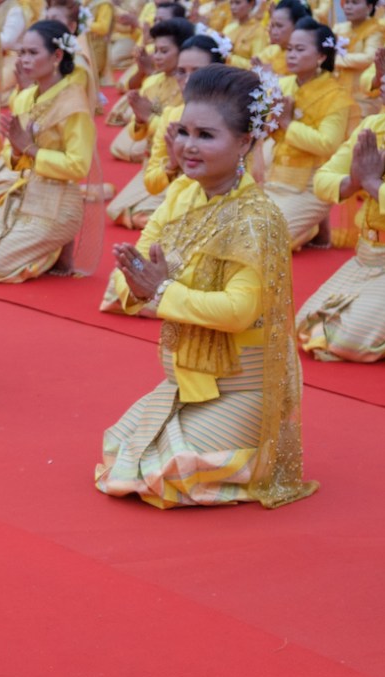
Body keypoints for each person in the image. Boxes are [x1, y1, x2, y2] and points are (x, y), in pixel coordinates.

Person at [96, 64, 319, 509]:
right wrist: (139, 287)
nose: (187, 146)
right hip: (188, 380)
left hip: (243, 387)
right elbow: (135, 266)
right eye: (182, 132)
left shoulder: (257, 218)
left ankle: (253, 447)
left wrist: (159, 293)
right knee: (119, 455)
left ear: (244, 142)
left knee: (165, 475)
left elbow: (239, 311)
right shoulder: (183, 194)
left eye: (205, 135)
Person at [0, 20, 94, 282]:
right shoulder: (24, 97)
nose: (23, 60)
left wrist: (31, 149)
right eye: (22, 52)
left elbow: (79, 166)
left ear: (57, 55)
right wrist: (15, 152)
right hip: (23, 192)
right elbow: (12, 157)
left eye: (32, 53)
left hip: (58, 204)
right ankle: (41, 248)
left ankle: (54, 248)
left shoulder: (73, 103)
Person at [295, 69, 385, 363]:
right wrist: (355, 182)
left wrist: (373, 184)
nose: (381, 79)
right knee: (306, 324)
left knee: (346, 340)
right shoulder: (374, 124)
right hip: (367, 254)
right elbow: (324, 179)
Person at [264, 19, 356, 250]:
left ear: (321, 57)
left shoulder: (336, 95)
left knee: (268, 242)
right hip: (274, 178)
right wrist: (271, 123)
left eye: (300, 49)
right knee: (241, 228)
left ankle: (310, 225)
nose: (291, 55)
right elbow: (265, 132)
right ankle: (311, 228)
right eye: (290, 49)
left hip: (312, 184)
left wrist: (287, 123)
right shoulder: (283, 85)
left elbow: (328, 145)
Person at [105, 18, 195, 227]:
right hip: (153, 161)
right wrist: (138, 118)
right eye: (156, 50)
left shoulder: (190, 84)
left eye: (164, 51)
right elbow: (136, 134)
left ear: (182, 52)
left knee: (134, 215)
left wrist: (150, 116)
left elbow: (180, 126)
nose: (157, 56)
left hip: (179, 162)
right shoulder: (153, 81)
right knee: (115, 211)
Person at [331, 0, 381, 119]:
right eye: (346, 2)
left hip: (362, 96)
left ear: (369, 7)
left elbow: (369, 58)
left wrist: (335, 59)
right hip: (337, 91)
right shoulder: (338, 28)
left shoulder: (376, 30)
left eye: (354, 3)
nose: (348, 7)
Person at [252, 0, 312, 76]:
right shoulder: (272, 50)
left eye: (279, 26)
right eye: (272, 26)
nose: (273, 32)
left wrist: (271, 75)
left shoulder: (305, 56)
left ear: (297, 25)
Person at [222, 0, 267, 69]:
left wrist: (229, 58)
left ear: (251, 4)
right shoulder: (229, 28)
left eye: (237, 3)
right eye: (231, 3)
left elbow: (256, 66)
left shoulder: (258, 31)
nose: (232, 7)